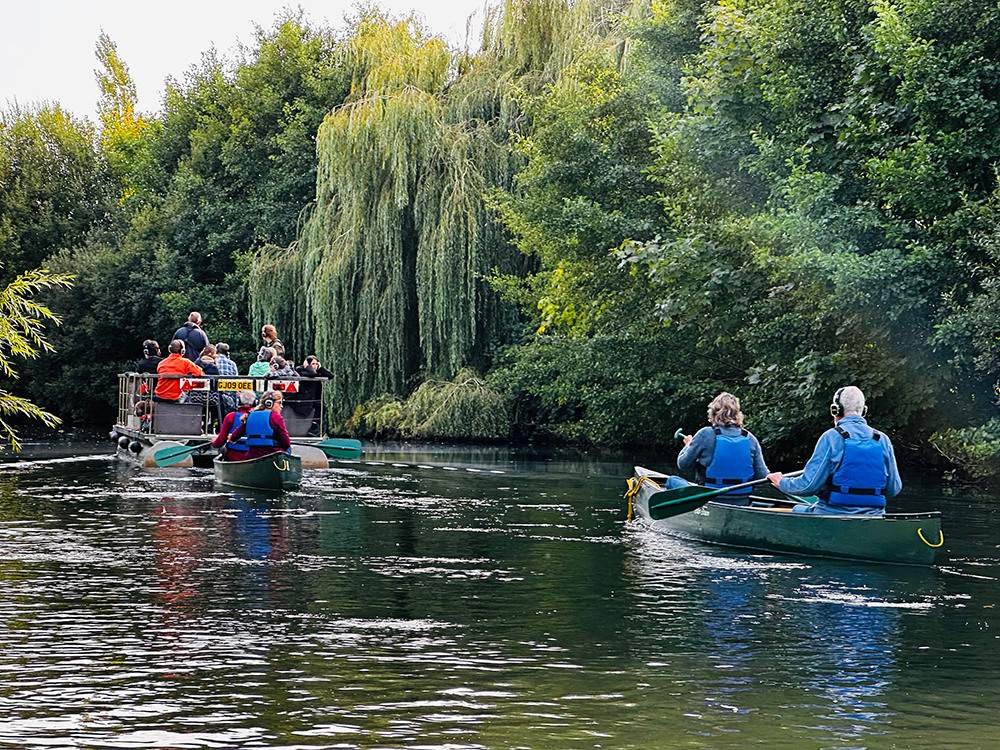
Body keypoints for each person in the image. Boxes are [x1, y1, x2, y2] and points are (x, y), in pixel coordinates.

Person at [767, 386, 902, 515]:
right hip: (874, 516)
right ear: (864, 411)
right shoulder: (882, 439)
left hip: (831, 513)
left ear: (836, 410)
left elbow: (807, 487)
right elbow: (893, 489)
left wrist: (781, 482)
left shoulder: (831, 437)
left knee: (798, 509)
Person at [673, 392, 770, 505]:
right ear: (737, 414)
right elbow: (763, 476)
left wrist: (688, 445)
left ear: (713, 413)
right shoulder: (750, 438)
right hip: (741, 499)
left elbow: (683, 464)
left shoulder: (705, 434)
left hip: (710, 497)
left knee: (672, 481)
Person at [226, 389, 292, 461]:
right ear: (269, 403)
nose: (281, 406)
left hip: (253, 457)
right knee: (289, 449)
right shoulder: (276, 417)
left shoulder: (250, 416)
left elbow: (234, 437)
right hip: (273, 456)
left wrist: (231, 437)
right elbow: (286, 443)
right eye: (279, 403)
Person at [292, 355, 333, 432]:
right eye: (313, 364)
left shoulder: (317, 372)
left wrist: (320, 368)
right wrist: (307, 367)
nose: (315, 366)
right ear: (307, 364)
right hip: (303, 400)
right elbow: (312, 374)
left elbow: (330, 375)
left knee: (322, 407)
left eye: (316, 364)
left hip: (313, 399)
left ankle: (314, 426)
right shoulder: (301, 370)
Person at [212, 391, 256, 460]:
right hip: (252, 457)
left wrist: (214, 443)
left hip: (233, 457)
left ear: (239, 402)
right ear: (254, 403)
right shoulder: (258, 417)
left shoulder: (230, 417)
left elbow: (220, 441)